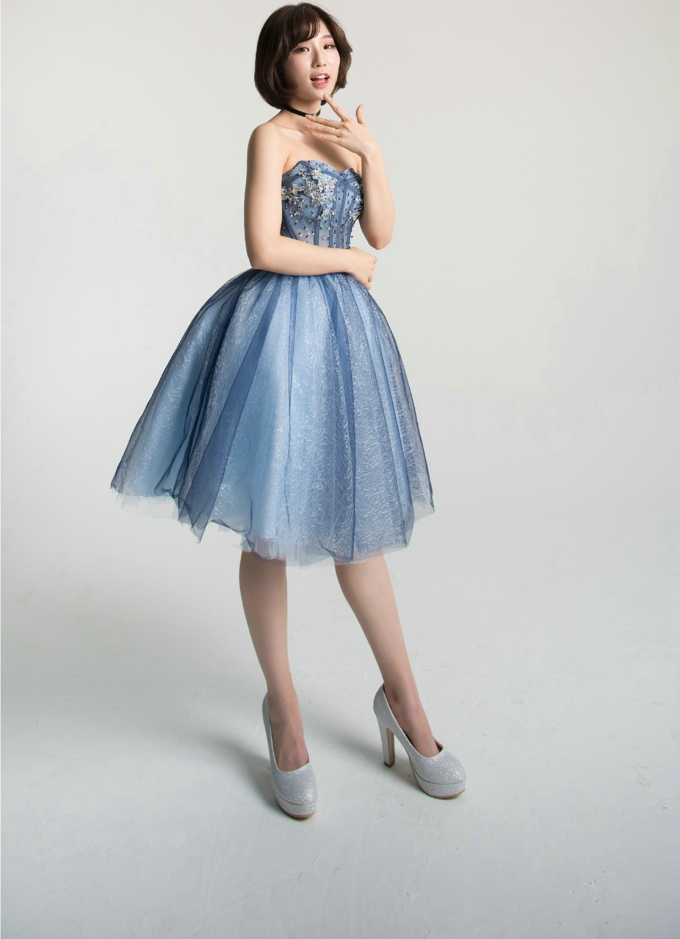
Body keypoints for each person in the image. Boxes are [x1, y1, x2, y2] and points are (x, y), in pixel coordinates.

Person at [111, 2, 465, 818]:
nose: (320, 59)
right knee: (268, 524)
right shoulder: (269, 136)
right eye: (304, 48)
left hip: (345, 339)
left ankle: (404, 702)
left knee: (358, 523)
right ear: (278, 63)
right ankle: (285, 711)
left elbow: (382, 231)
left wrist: (371, 153)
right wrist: (347, 263)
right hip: (276, 334)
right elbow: (264, 247)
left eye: (329, 45)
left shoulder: (349, 133)